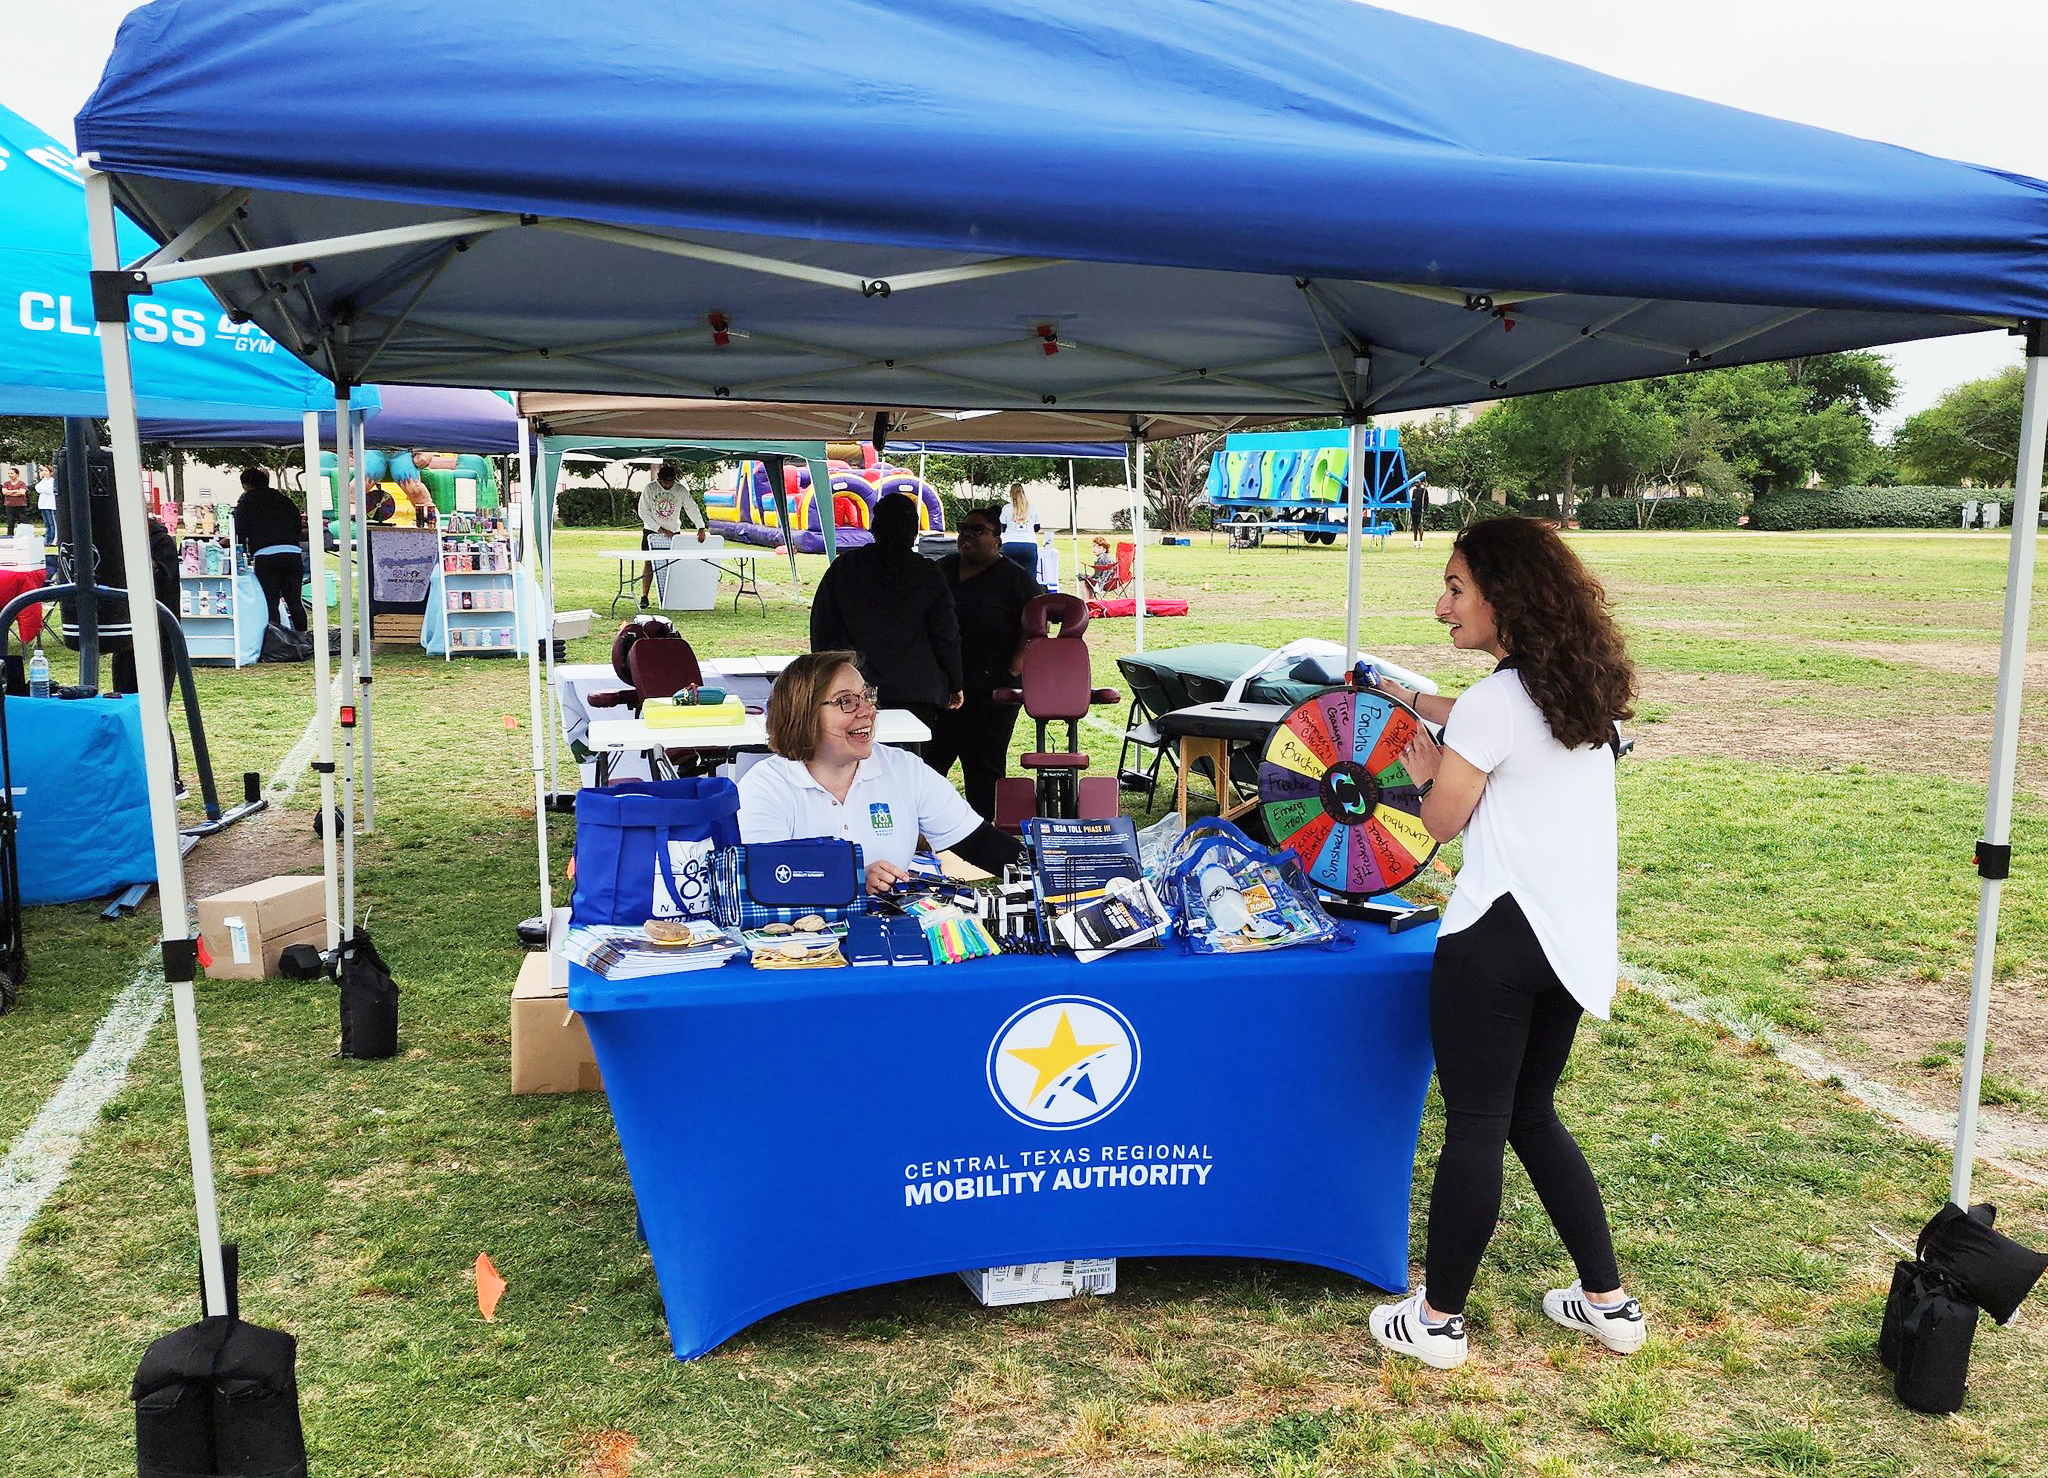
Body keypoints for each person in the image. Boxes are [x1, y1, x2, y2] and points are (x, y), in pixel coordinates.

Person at [1365, 516, 1642, 1371]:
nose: (1440, 604)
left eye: (1454, 587)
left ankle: (1439, 1320)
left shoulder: (1493, 702)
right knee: (1531, 1114)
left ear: (1502, 594)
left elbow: (1440, 822)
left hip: (1493, 939)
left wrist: (1420, 770)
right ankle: (1610, 1303)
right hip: (1569, 941)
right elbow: (1493, 723)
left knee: (1477, 1125)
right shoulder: (1583, 690)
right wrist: (1417, 702)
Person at [739, 650, 1023, 893]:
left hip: (891, 937)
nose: (867, 711)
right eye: (846, 701)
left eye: (866, 696)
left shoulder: (903, 769)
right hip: (798, 948)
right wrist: (854, 880)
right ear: (803, 713)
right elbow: (766, 876)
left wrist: (1054, 869)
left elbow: (978, 842)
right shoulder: (766, 786)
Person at [809, 493, 962, 733]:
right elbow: (946, 634)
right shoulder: (927, 573)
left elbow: (822, 626)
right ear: (913, 530)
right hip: (916, 687)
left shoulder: (846, 567)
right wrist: (955, 681)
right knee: (910, 762)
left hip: (853, 683)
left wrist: (825, 674)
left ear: (874, 527)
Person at [926, 506, 1040, 817]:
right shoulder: (942, 570)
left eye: (977, 530)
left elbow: (1036, 628)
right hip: (941, 686)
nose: (967, 535)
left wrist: (1013, 668)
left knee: (983, 767)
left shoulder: (1015, 579)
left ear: (997, 539)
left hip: (992, 690)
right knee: (930, 762)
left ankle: (983, 833)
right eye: (963, 528)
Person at [234, 467, 308, 632]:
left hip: (266, 555)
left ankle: (276, 641)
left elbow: (240, 530)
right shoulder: (284, 500)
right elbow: (298, 527)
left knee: (270, 601)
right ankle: (303, 637)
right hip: (292, 554)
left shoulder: (246, 502)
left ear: (246, 485)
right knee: (294, 600)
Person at [636, 461, 707, 608]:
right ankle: (644, 596)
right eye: (665, 482)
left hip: (674, 532)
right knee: (649, 563)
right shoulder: (650, 489)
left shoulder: (680, 490)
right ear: (659, 479)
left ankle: (674, 596)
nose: (668, 485)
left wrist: (700, 527)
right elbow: (643, 512)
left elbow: (691, 507)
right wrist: (660, 529)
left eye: (670, 482)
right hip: (651, 531)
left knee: (675, 564)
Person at [998, 481, 1042, 577]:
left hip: (1009, 544)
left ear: (1010, 494)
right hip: (1029, 545)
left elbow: (1002, 527)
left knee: (1008, 576)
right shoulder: (1033, 508)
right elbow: (1037, 527)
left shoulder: (1006, 508)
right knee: (1030, 578)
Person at [34, 465, 57, 546]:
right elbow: (37, 488)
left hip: (50, 505)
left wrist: (42, 490)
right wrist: (42, 489)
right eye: (43, 470)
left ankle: (53, 540)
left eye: (46, 471)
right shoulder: (43, 480)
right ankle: (47, 540)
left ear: (50, 473)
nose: (44, 472)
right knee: (47, 524)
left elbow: (49, 490)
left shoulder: (52, 480)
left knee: (52, 523)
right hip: (43, 505)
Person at [0, 467, 27, 534]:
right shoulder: (6, 484)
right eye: (9, 473)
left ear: (17, 474)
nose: (10, 475)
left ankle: (22, 536)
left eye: (12, 473)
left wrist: (10, 492)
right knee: (10, 523)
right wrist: (16, 491)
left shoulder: (22, 483)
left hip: (20, 506)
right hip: (9, 506)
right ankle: (10, 537)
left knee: (22, 522)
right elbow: (4, 492)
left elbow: (22, 492)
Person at [1410, 476, 1428, 545]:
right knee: (1414, 526)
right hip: (1414, 510)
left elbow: (1426, 501)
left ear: (1420, 483)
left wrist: (1424, 509)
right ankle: (1415, 541)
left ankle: (1421, 541)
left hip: (1420, 510)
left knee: (1420, 525)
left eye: (1418, 482)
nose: (1416, 484)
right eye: (1416, 483)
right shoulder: (1414, 491)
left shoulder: (1424, 491)